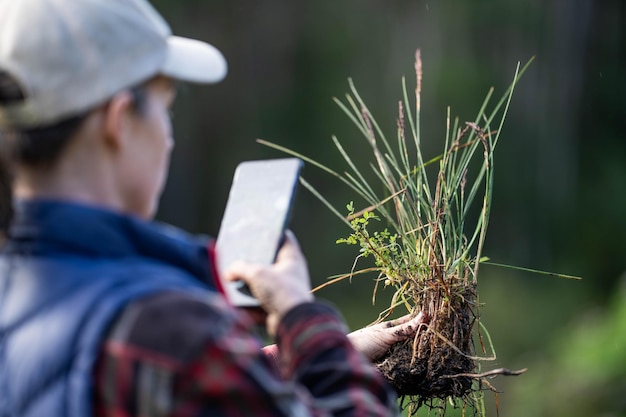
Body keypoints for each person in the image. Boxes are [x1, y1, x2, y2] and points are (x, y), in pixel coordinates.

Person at [0, 0, 426, 416]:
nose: (168, 137)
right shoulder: (167, 329)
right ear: (120, 121)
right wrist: (305, 320)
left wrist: (304, 353)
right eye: (165, 110)